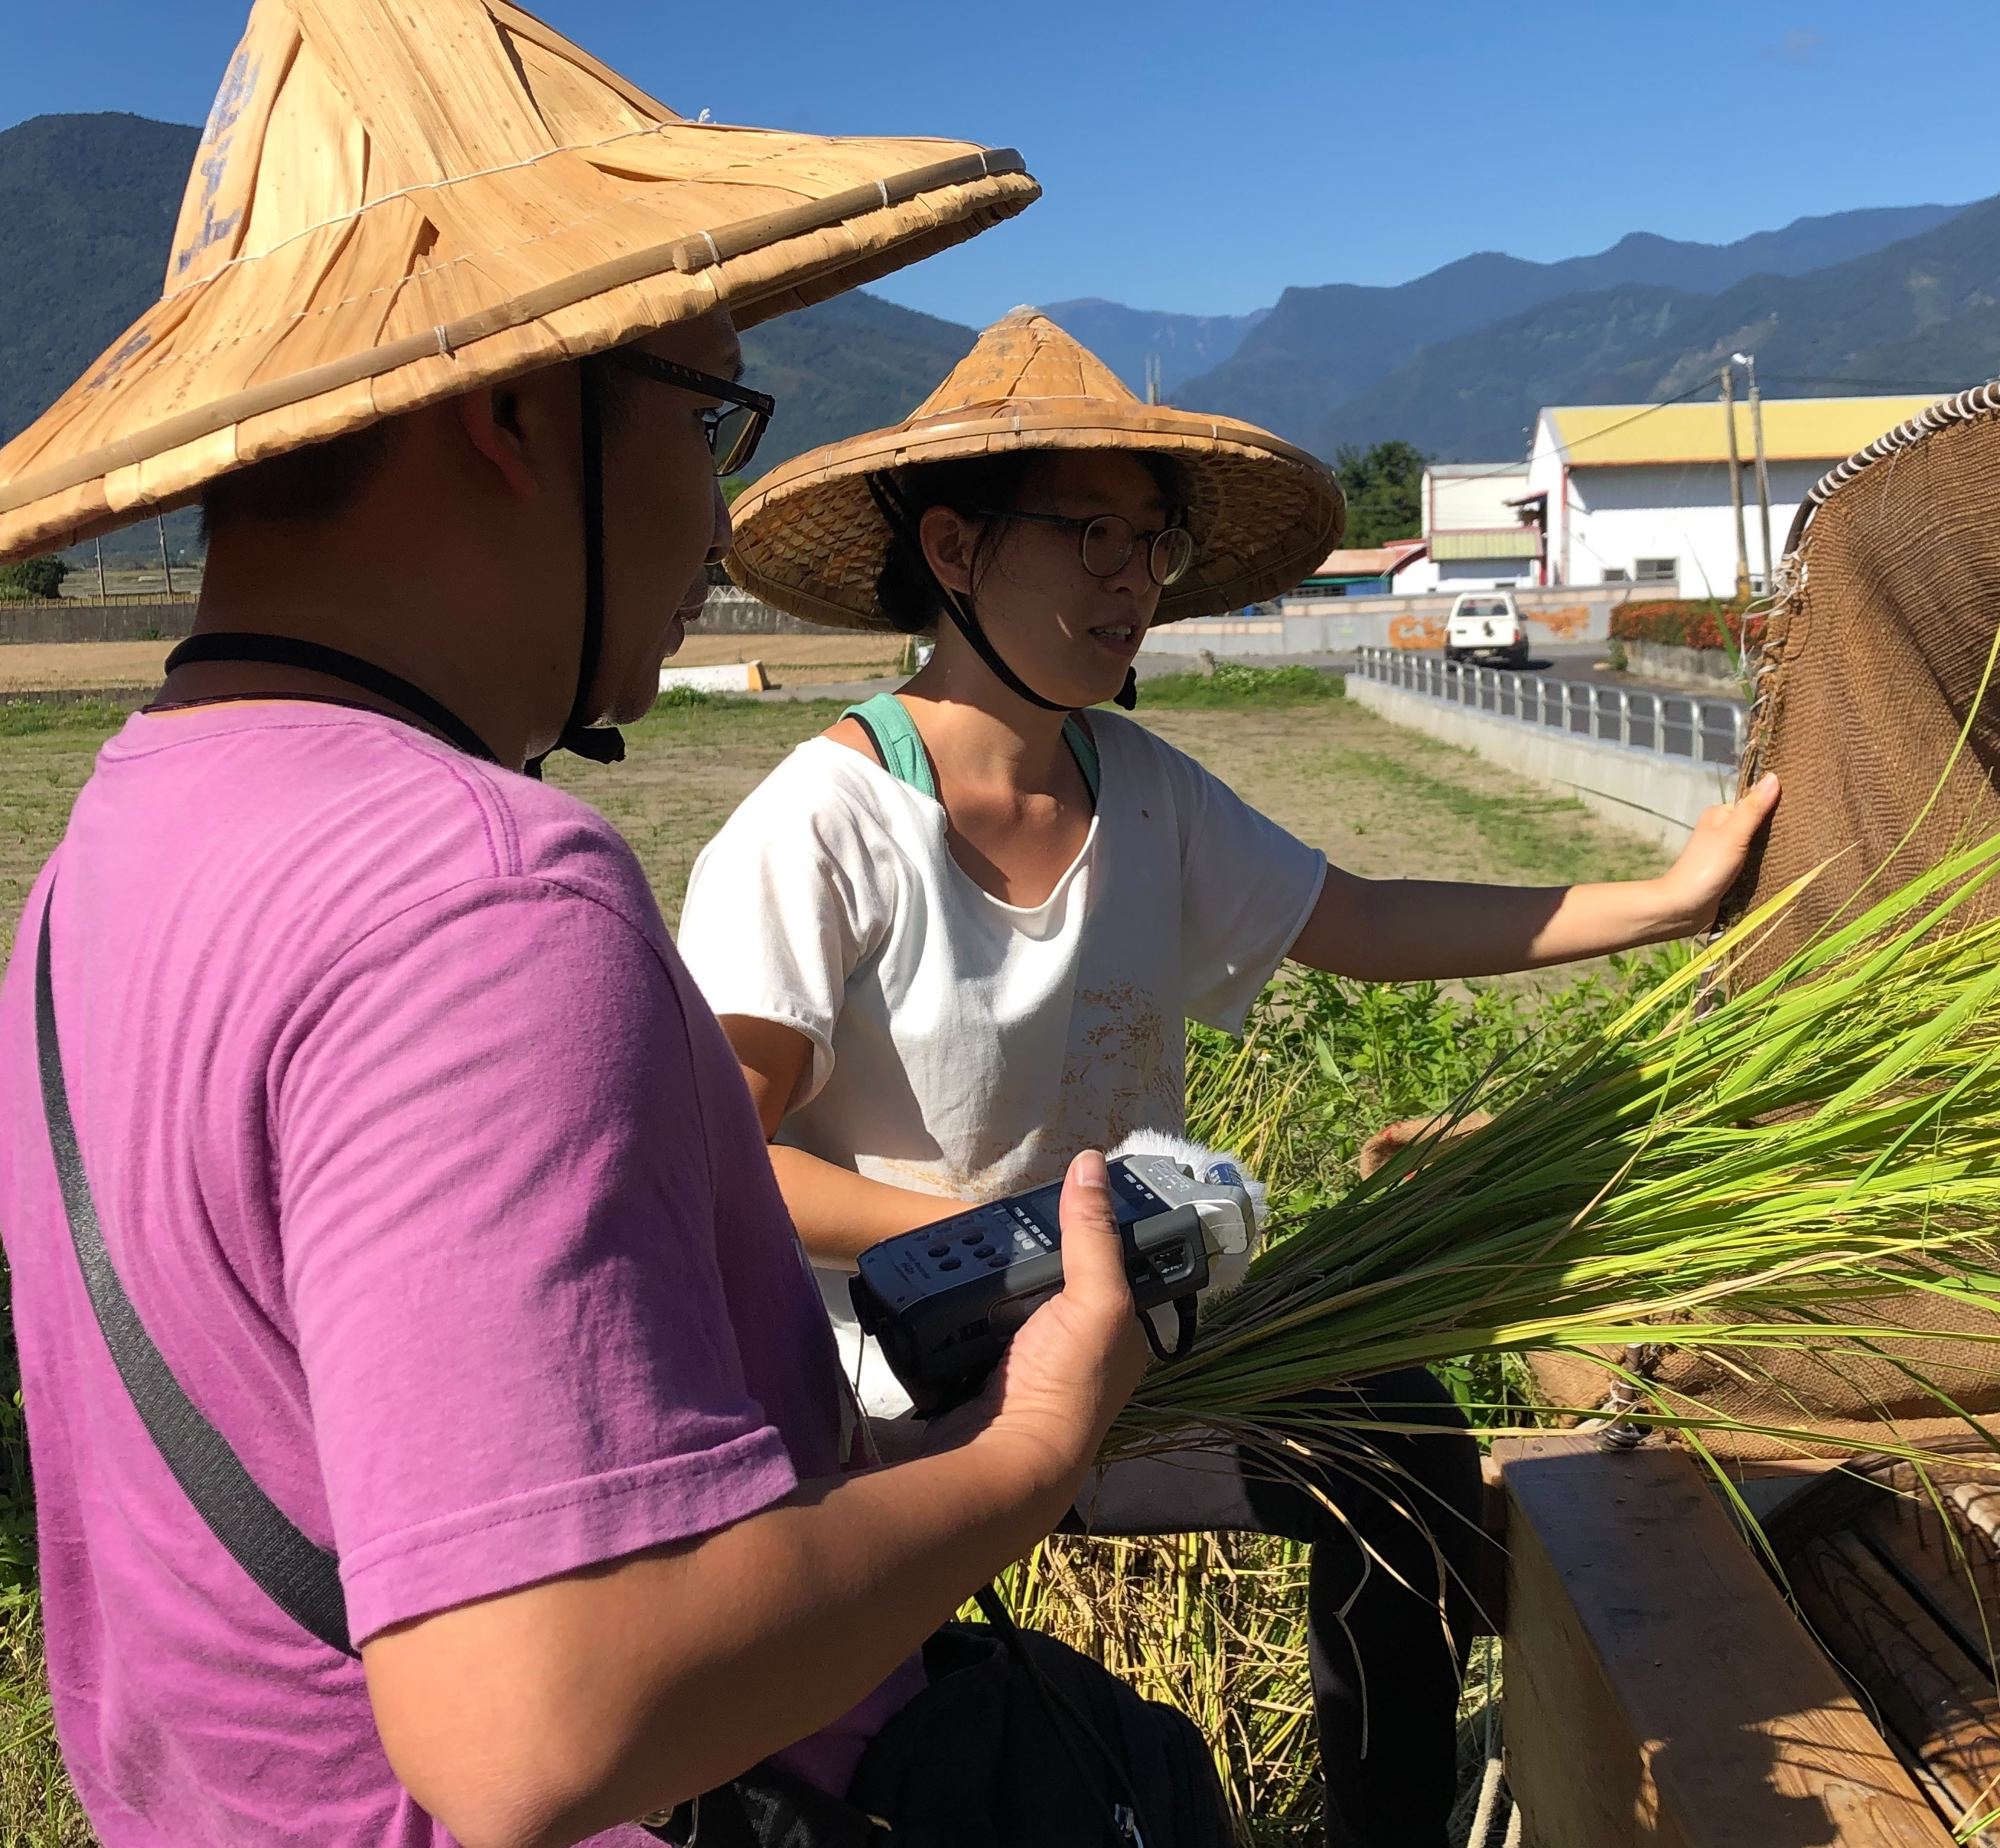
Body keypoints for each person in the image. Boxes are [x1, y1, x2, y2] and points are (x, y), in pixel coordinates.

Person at [0, 0, 1160, 1848]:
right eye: (704, 417)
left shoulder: (107, 850)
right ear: (513, 411)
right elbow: (545, 1721)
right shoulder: (481, 896)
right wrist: (1031, 1448)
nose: (716, 522)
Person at [680, 310, 1782, 1848]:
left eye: (1155, 542)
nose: (1133, 579)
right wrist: (1011, 1240)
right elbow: (722, 1162)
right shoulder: (821, 830)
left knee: (1400, 1450)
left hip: (1136, 1345)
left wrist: (1664, 901)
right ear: (953, 548)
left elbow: (1361, 920)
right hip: (902, 1390)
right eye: (1090, 533)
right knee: (941, 1757)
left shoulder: (1140, 788)